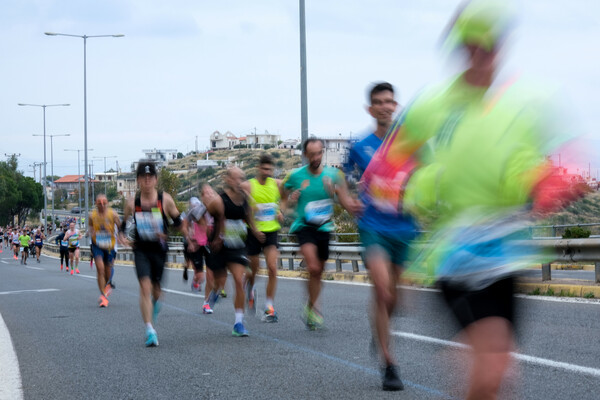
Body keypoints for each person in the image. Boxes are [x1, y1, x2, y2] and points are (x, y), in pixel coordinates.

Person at [363, 1, 583, 397]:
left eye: (488, 42)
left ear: (500, 45)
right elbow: (387, 163)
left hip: (507, 255)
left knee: (495, 373)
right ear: (458, 45)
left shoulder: (529, 101)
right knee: (492, 362)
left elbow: (568, 153)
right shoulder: (434, 103)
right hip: (455, 255)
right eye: (470, 42)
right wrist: (413, 186)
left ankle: (472, 360)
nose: (479, 52)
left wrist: (551, 181)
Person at [346, 82, 418, 391]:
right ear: (370, 108)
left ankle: (379, 330)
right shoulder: (359, 145)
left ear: (395, 105)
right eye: (378, 101)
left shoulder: (412, 144)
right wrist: (346, 198)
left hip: (405, 228)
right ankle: (390, 363)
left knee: (397, 298)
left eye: (390, 101)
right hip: (373, 226)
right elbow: (342, 178)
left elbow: (429, 175)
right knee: (383, 291)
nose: (385, 106)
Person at [282, 138, 362, 329]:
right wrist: (289, 205)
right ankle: (314, 309)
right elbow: (283, 197)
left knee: (319, 273)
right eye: (312, 154)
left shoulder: (334, 175)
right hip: (304, 226)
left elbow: (346, 202)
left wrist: (335, 195)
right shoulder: (295, 176)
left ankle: (310, 307)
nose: (316, 158)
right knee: (314, 267)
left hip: (324, 227)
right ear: (305, 155)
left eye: (319, 153)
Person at [120, 160, 188, 347]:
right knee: (145, 286)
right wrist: (122, 236)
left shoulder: (165, 200)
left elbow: (178, 222)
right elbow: (124, 224)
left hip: (159, 250)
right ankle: (150, 329)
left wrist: (181, 236)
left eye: (150, 177)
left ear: (156, 179)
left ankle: (154, 309)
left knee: (157, 292)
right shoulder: (132, 202)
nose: (147, 180)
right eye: (144, 177)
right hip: (141, 249)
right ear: (138, 180)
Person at [207, 167, 262, 336]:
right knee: (220, 282)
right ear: (228, 180)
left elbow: (250, 218)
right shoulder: (218, 201)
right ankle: (215, 292)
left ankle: (238, 323)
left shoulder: (246, 200)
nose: (239, 182)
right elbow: (205, 217)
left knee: (239, 280)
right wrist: (213, 236)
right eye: (236, 179)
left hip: (238, 246)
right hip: (219, 247)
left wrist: (256, 231)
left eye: (242, 178)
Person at [242, 153, 285, 322]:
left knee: (273, 268)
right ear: (259, 168)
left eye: (270, 169)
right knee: (254, 270)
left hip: (271, 231)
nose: (267, 172)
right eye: (265, 169)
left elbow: (287, 193)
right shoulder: (249, 186)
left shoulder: (276, 184)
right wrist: (253, 228)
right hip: (253, 233)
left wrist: (280, 210)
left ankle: (269, 306)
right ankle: (250, 289)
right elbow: (241, 204)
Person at [88, 194, 121, 308]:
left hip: (110, 245)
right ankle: (103, 296)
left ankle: (107, 288)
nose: (102, 205)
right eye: (99, 203)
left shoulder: (113, 214)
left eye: (104, 202)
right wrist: (91, 232)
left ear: (107, 203)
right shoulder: (92, 215)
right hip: (97, 244)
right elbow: (91, 226)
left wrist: (121, 237)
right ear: (96, 204)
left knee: (107, 272)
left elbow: (120, 226)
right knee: (100, 269)